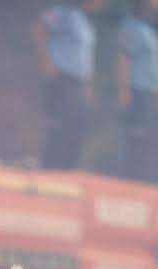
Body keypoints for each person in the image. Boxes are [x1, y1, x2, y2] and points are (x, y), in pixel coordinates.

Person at [32, 0, 104, 170]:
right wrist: (46, 62)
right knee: (58, 127)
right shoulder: (64, 14)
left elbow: (84, 58)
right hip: (62, 80)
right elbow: (38, 28)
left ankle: (68, 170)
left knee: (77, 129)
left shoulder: (86, 22)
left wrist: (87, 87)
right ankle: (51, 169)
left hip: (79, 83)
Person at [115, 0, 158, 181]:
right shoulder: (132, 27)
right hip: (137, 91)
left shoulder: (149, 30)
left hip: (149, 94)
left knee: (147, 141)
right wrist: (124, 91)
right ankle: (130, 180)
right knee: (135, 138)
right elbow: (123, 58)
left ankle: (140, 179)